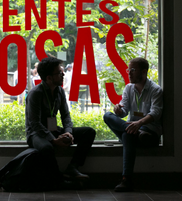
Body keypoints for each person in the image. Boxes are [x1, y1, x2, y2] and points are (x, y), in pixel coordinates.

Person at [25, 56, 96, 188]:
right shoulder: (36, 93)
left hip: (53, 130)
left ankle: (72, 168)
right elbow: (34, 123)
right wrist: (53, 140)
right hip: (36, 134)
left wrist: (68, 133)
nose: (63, 74)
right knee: (47, 148)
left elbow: (66, 116)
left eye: (62, 71)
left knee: (89, 132)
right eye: (59, 72)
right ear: (49, 78)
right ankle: (58, 179)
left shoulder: (59, 91)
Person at [103, 57, 163, 192]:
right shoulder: (129, 88)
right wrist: (118, 110)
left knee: (127, 135)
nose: (129, 73)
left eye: (132, 70)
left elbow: (156, 113)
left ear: (143, 72)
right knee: (108, 116)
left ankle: (126, 180)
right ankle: (126, 179)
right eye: (128, 70)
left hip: (149, 132)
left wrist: (139, 123)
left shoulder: (155, 90)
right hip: (135, 132)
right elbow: (124, 111)